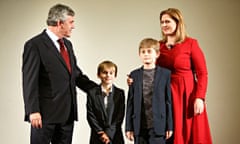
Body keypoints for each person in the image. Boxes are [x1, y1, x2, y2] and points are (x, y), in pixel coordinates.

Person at [22, 4, 97, 144]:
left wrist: (99, 89)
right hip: (44, 115)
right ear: (59, 23)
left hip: (67, 115)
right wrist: (33, 111)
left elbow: (75, 74)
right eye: (71, 22)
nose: (73, 26)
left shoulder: (67, 45)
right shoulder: (34, 45)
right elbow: (29, 81)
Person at [156, 8, 212, 144]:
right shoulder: (159, 46)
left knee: (189, 135)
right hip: (165, 96)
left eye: (167, 21)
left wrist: (200, 97)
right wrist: (135, 79)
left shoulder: (191, 44)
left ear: (178, 22)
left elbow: (202, 73)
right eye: (162, 22)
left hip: (186, 97)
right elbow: (151, 70)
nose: (164, 25)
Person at [125, 38, 173, 144]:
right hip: (139, 126)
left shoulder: (165, 74)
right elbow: (130, 103)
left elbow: (168, 101)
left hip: (158, 125)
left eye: (149, 51)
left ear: (157, 54)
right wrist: (128, 127)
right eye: (143, 52)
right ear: (139, 54)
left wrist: (170, 126)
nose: (146, 54)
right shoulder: (134, 75)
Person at [86, 60, 125, 144]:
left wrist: (109, 133)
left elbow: (119, 116)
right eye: (105, 72)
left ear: (115, 75)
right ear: (98, 75)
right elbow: (90, 115)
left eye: (111, 73)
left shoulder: (120, 93)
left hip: (115, 136)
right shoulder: (92, 93)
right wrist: (100, 132)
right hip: (97, 137)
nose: (108, 75)